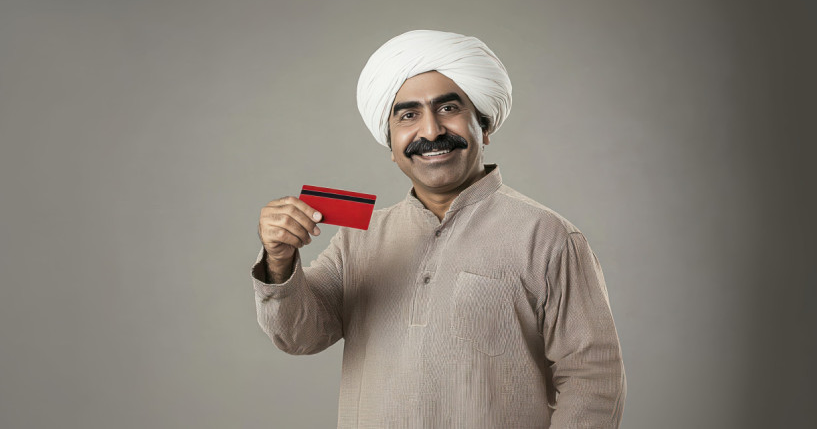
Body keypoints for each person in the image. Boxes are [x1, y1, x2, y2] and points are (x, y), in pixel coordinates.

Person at [251, 30, 626, 428]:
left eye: (448, 108)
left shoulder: (546, 237)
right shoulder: (358, 238)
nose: (431, 132)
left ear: (484, 127)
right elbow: (300, 336)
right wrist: (279, 260)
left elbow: (592, 380)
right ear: (391, 146)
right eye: (408, 115)